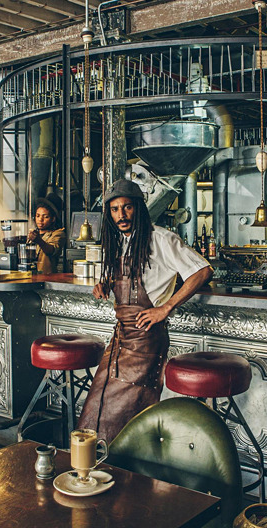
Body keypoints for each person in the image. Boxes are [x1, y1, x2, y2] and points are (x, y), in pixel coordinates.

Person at [78, 179, 213, 442]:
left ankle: (126, 471)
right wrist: (106, 283)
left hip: (147, 340)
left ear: (139, 207)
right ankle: (99, 469)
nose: (121, 215)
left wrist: (166, 307)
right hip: (121, 338)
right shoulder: (120, 241)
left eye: (127, 207)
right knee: (98, 404)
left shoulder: (161, 238)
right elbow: (130, 278)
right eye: (115, 210)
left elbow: (203, 270)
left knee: (128, 412)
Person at [28, 194, 67, 274]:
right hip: (30, 276)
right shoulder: (33, 234)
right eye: (38, 216)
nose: (40, 220)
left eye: (45, 217)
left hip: (47, 277)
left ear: (53, 219)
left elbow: (51, 250)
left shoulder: (58, 234)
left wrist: (39, 240)